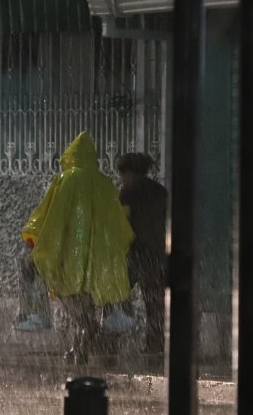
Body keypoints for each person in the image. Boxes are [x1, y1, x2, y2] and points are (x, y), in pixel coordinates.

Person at [21, 132, 134, 364]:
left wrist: (38, 243)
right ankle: (81, 348)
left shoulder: (66, 180)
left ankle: (81, 346)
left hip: (69, 261)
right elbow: (118, 223)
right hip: (98, 261)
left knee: (76, 308)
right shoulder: (104, 183)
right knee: (88, 307)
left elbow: (51, 215)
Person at [111, 152, 168, 355]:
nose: (121, 178)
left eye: (122, 174)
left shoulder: (127, 192)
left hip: (135, 253)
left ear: (130, 172)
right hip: (157, 253)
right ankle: (155, 344)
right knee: (154, 302)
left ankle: (111, 340)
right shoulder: (161, 191)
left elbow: (120, 223)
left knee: (115, 294)